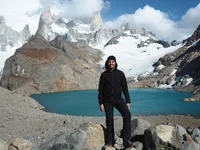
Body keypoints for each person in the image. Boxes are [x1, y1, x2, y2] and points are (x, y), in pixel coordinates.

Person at [98, 55, 133, 148]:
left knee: (127, 115)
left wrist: (128, 101)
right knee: (109, 120)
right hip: (107, 101)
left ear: (115, 63)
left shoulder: (120, 74)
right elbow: (100, 90)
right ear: (107, 63)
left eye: (112, 61)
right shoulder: (104, 75)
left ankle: (126, 140)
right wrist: (101, 103)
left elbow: (125, 88)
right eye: (109, 62)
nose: (111, 63)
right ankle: (110, 142)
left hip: (118, 99)